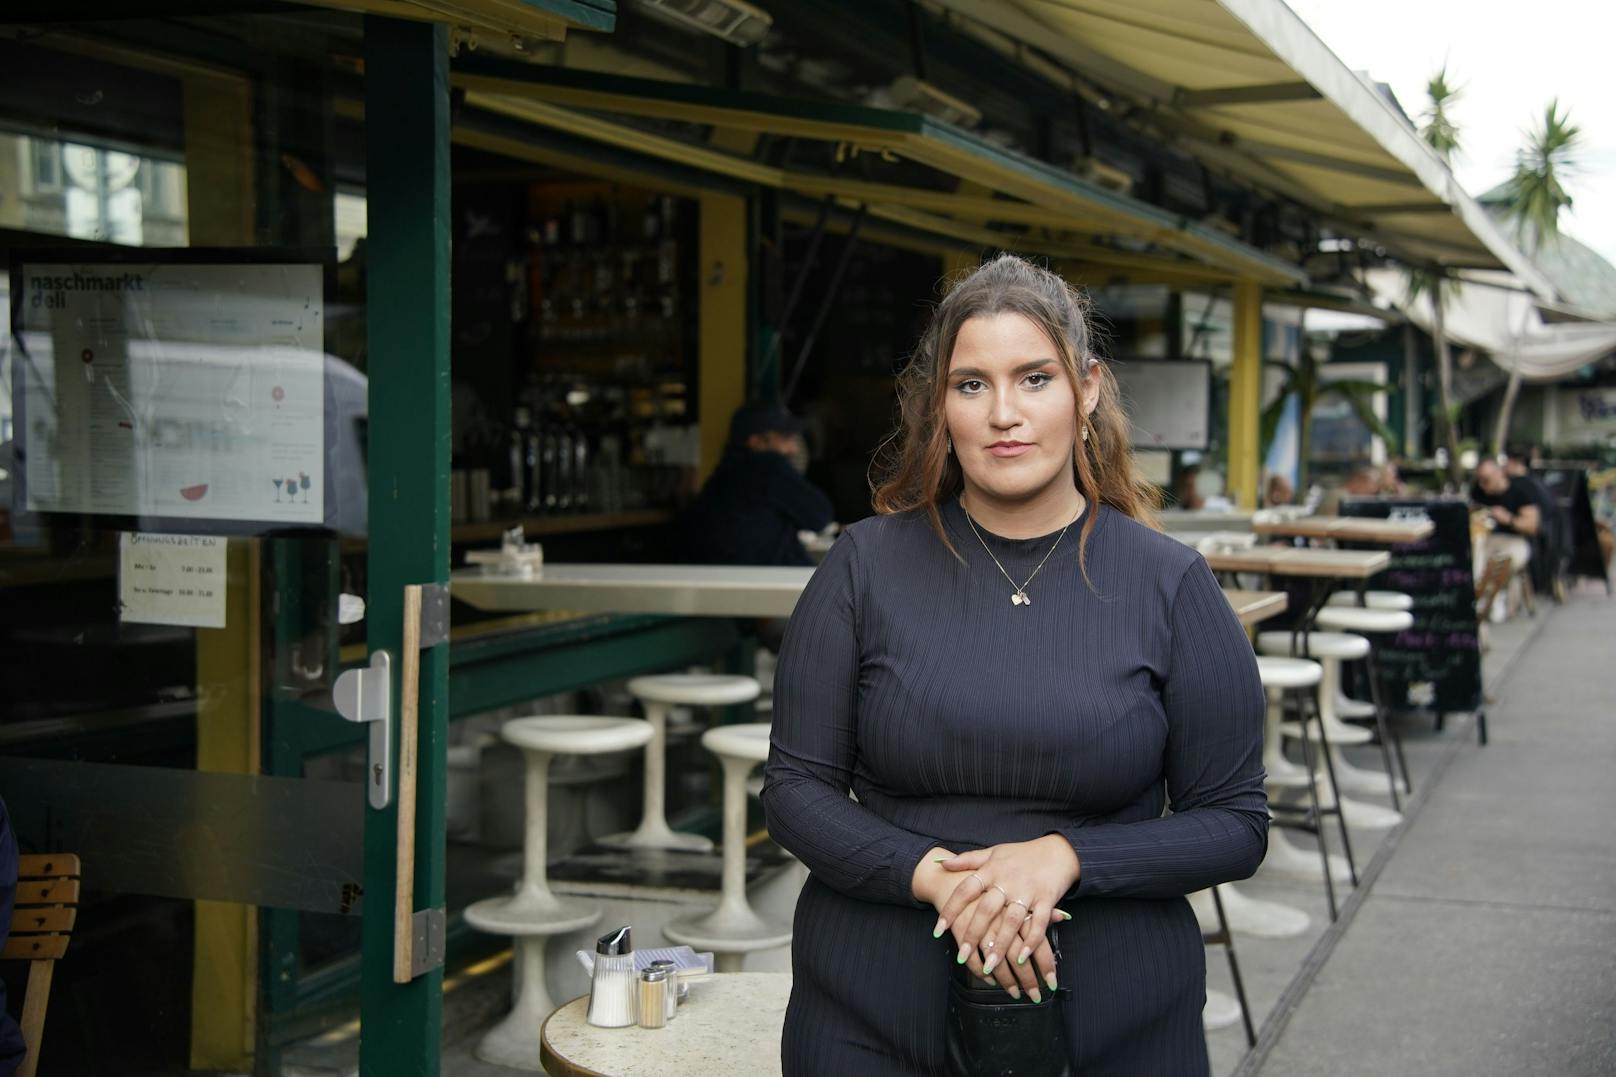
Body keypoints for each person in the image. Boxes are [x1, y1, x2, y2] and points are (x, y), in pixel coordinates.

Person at [761, 254, 1267, 1075]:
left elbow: (1236, 823)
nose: (1004, 413)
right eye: (971, 385)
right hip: (872, 1009)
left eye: (1035, 378)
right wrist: (934, 877)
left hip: (1119, 1020)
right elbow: (793, 790)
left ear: (1088, 388)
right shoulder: (862, 567)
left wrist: (1066, 856)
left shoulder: (1172, 583)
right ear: (939, 403)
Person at [678, 402, 834, 567]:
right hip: (766, 580)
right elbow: (820, 515)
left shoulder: (722, 477)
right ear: (757, 442)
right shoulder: (767, 467)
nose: (794, 449)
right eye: (785, 438)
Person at [1470, 458, 1539, 612]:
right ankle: (1480, 596)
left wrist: (1509, 519)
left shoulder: (1520, 492)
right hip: (1485, 539)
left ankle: (1495, 596)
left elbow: (1532, 526)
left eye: (1486, 480)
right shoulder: (1478, 492)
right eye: (1480, 480)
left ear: (1499, 473)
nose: (1482, 484)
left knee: (1502, 559)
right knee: (1476, 553)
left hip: (1515, 540)